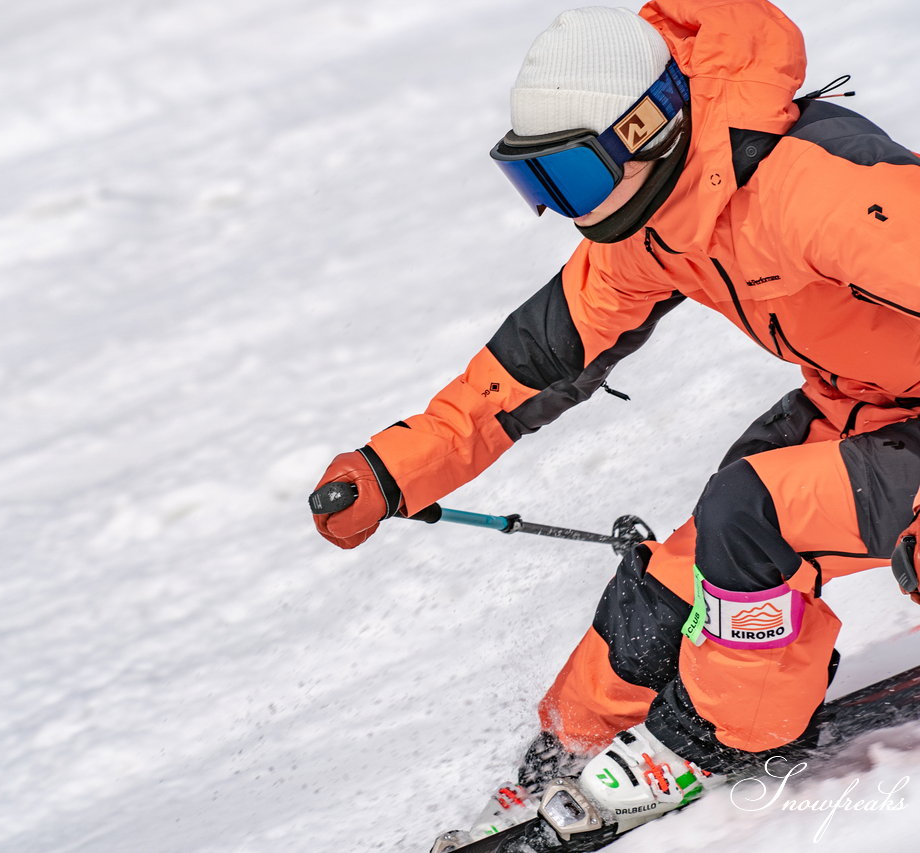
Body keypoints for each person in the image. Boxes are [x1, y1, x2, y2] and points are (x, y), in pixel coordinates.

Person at [309, 1, 920, 848]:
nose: (565, 209)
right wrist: (391, 470)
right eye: (538, 185)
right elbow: (531, 364)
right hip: (862, 403)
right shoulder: (654, 223)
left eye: (576, 178)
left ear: (650, 127)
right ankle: (564, 763)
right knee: (666, 589)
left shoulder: (817, 188)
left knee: (753, 514)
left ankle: (715, 738)